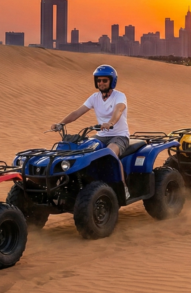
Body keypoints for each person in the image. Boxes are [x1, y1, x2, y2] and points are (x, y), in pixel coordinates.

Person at [51, 65, 131, 197]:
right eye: (99, 81)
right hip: (100, 136)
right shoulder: (94, 97)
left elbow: (119, 110)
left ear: (112, 81)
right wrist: (61, 123)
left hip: (119, 136)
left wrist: (110, 123)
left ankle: (123, 188)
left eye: (105, 80)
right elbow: (77, 112)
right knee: (83, 151)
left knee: (109, 154)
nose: (101, 83)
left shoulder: (120, 96)